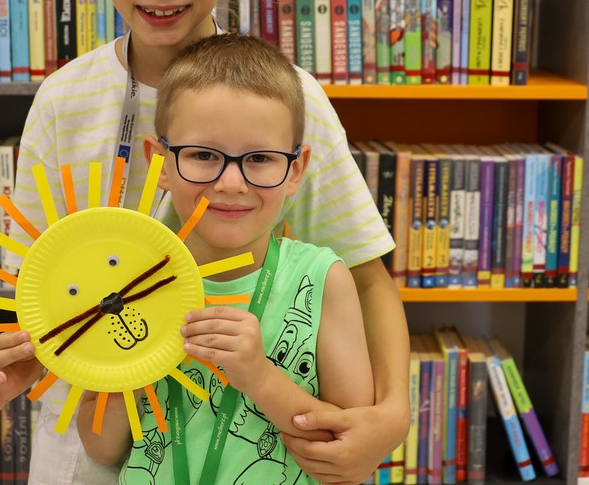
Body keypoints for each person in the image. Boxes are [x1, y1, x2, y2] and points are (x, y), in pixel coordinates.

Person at [0, 0, 410, 485]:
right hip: (94, 441)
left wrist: (393, 416)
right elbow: (33, 288)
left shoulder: (290, 101)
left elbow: (366, 277)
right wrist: (32, 351)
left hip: (250, 447)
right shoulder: (64, 101)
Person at [78, 33, 375, 483]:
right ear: (159, 162)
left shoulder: (322, 279)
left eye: (259, 158)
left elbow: (346, 446)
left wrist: (259, 377)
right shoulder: (125, 284)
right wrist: (132, 367)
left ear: (295, 170)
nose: (231, 183)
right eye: (203, 155)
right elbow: (99, 446)